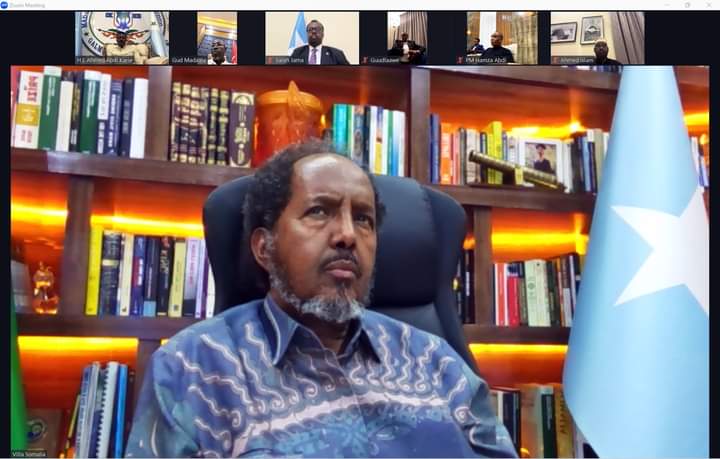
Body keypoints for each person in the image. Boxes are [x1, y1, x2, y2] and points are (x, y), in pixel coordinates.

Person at [124, 139, 518, 458]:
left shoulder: (437, 363)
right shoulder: (192, 369)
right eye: (318, 212)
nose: (347, 235)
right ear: (264, 247)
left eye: (363, 219)